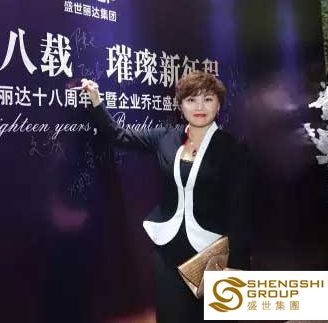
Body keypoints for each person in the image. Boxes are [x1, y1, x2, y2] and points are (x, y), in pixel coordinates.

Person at [81, 71, 251, 323]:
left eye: (208, 99)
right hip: (167, 248)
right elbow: (118, 135)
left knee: (207, 317)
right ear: (180, 105)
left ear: (218, 105)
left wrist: (236, 264)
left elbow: (239, 209)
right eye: (191, 100)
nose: (199, 107)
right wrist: (96, 100)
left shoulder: (232, 148)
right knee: (170, 314)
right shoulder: (166, 137)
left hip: (210, 252)